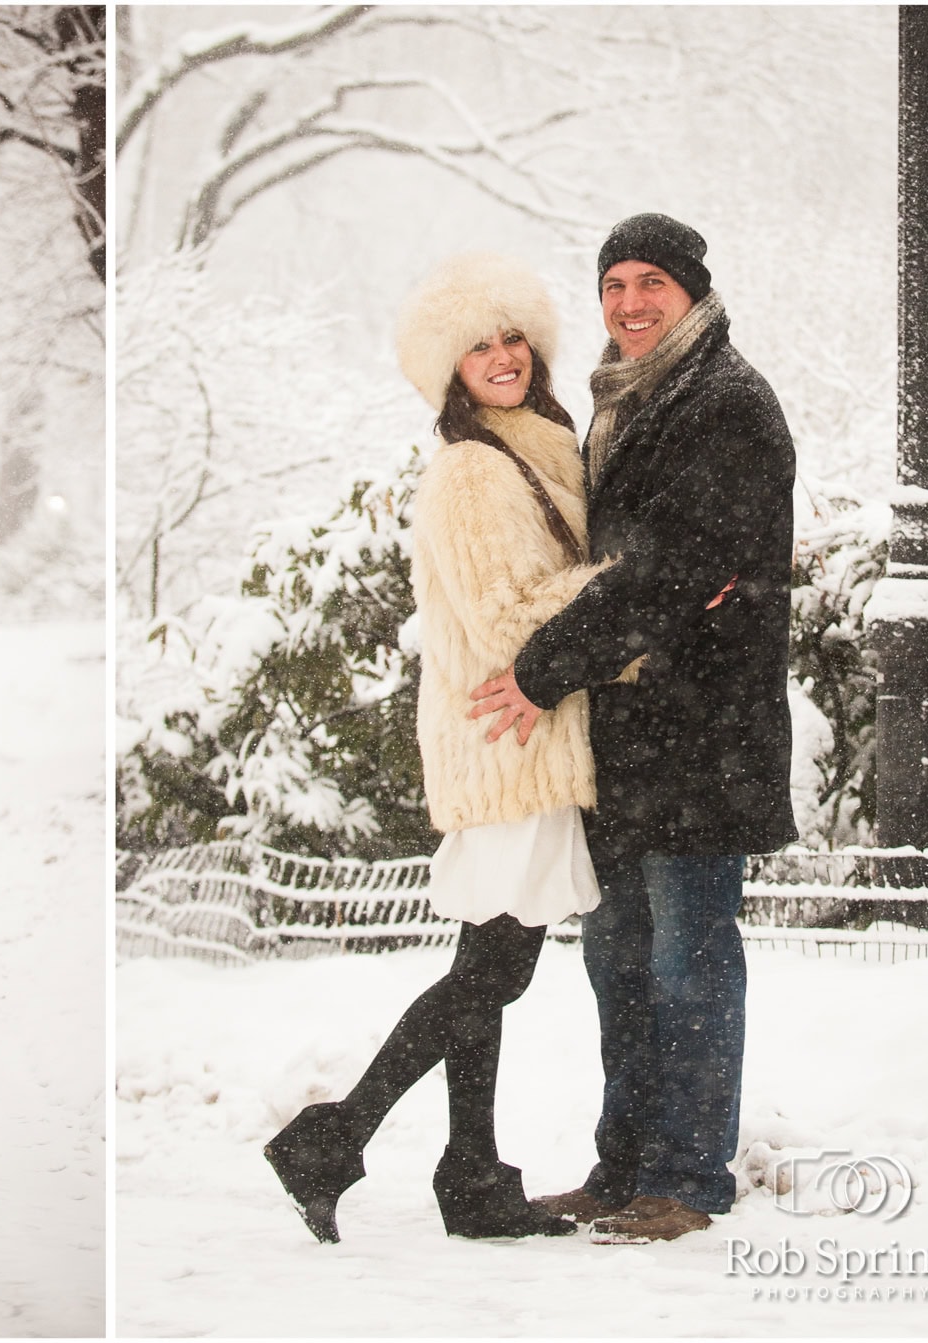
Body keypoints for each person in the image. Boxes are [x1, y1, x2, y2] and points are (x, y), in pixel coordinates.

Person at [264, 252, 627, 1243]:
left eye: (512, 337)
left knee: (489, 961)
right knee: (493, 968)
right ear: (449, 368)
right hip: (509, 737)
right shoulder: (473, 471)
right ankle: (337, 1135)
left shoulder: (538, 445)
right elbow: (508, 616)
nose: (502, 356)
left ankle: (467, 1170)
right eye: (479, 345)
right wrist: (626, 588)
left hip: (529, 731)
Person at [471, 213, 796, 1243]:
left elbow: (666, 570)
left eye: (651, 281)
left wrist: (543, 667)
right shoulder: (626, 402)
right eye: (613, 284)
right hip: (628, 733)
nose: (630, 302)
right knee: (617, 956)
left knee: (688, 960)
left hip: (704, 733)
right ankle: (623, 1166)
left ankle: (689, 1176)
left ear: (692, 290)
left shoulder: (725, 403)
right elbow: (616, 571)